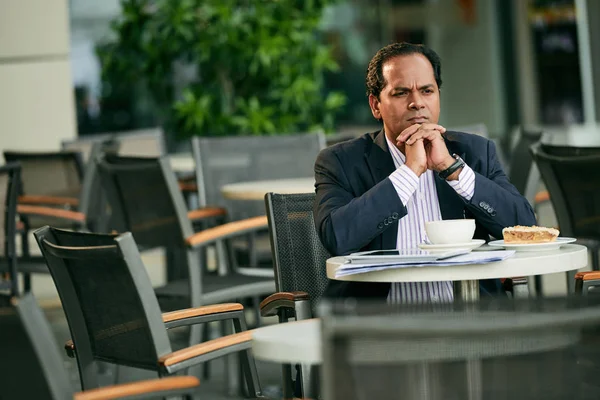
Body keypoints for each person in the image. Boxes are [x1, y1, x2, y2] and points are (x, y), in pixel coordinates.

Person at [314, 42, 537, 302]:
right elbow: (338, 238)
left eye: (427, 91)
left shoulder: (474, 152)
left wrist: (452, 170)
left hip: (471, 319)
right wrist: (410, 172)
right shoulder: (340, 161)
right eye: (401, 93)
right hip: (380, 326)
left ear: (438, 96)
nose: (417, 103)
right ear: (375, 105)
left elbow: (524, 227)